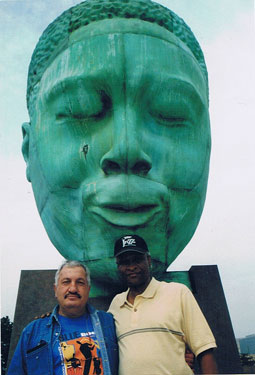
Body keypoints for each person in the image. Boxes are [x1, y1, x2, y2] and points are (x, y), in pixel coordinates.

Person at [21, 0, 211, 294]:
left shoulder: (181, 305)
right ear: (29, 149)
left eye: (170, 112)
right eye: (81, 110)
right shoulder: (39, 332)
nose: (126, 150)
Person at [108, 234, 218, 375]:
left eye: (137, 260)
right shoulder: (116, 305)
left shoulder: (178, 293)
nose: (131, 267)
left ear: (148, 260)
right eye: (124, 262)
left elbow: (205, 349)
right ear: (118, 267)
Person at [8, 260, 118, 375]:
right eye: (66, 282)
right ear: (56, 290)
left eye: (80, 282)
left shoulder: (109, 323)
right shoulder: (33, 332)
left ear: (88, 289)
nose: (73, 289)